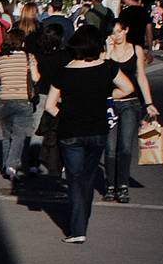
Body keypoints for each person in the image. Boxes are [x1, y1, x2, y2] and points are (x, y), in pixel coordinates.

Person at [47, 26, 122, 242]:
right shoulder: (108, 68)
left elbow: (50, 105)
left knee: (74, 178)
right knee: (87, 177)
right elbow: (127, 88)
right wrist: (102, 96)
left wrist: (66, 111)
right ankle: (82, 220)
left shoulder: (65, 70)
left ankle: (78, 229)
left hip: (70, 130)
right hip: (98, 129)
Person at [103, 16, 157, 205]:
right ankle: (110, 185)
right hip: (109, 103)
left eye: (118, 31)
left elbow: (141, 76)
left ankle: (122, 186)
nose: (115, 36)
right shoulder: (105, 53)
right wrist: (108, 52)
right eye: (112, 32)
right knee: (109, 148)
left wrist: (149, 103)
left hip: (130, 103)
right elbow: (104, 75)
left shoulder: (136, 50)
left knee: (125, 147)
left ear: (125, 30)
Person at [0, 27, 37, 188]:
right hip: (23, 100)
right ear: (22, 42)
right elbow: (36, 77)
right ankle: (11, 165)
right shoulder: (29, 58)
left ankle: (5, 166)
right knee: (19, 135)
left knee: (7, 135)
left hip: (4, 101)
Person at [26, 19, 67, 181]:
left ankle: (33, 163)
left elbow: (36, 77)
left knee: (38, 130)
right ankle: (59, 162)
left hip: (42, 93)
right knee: (60, 130)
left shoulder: (38, 55)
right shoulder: (65, 55)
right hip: (60, 95)